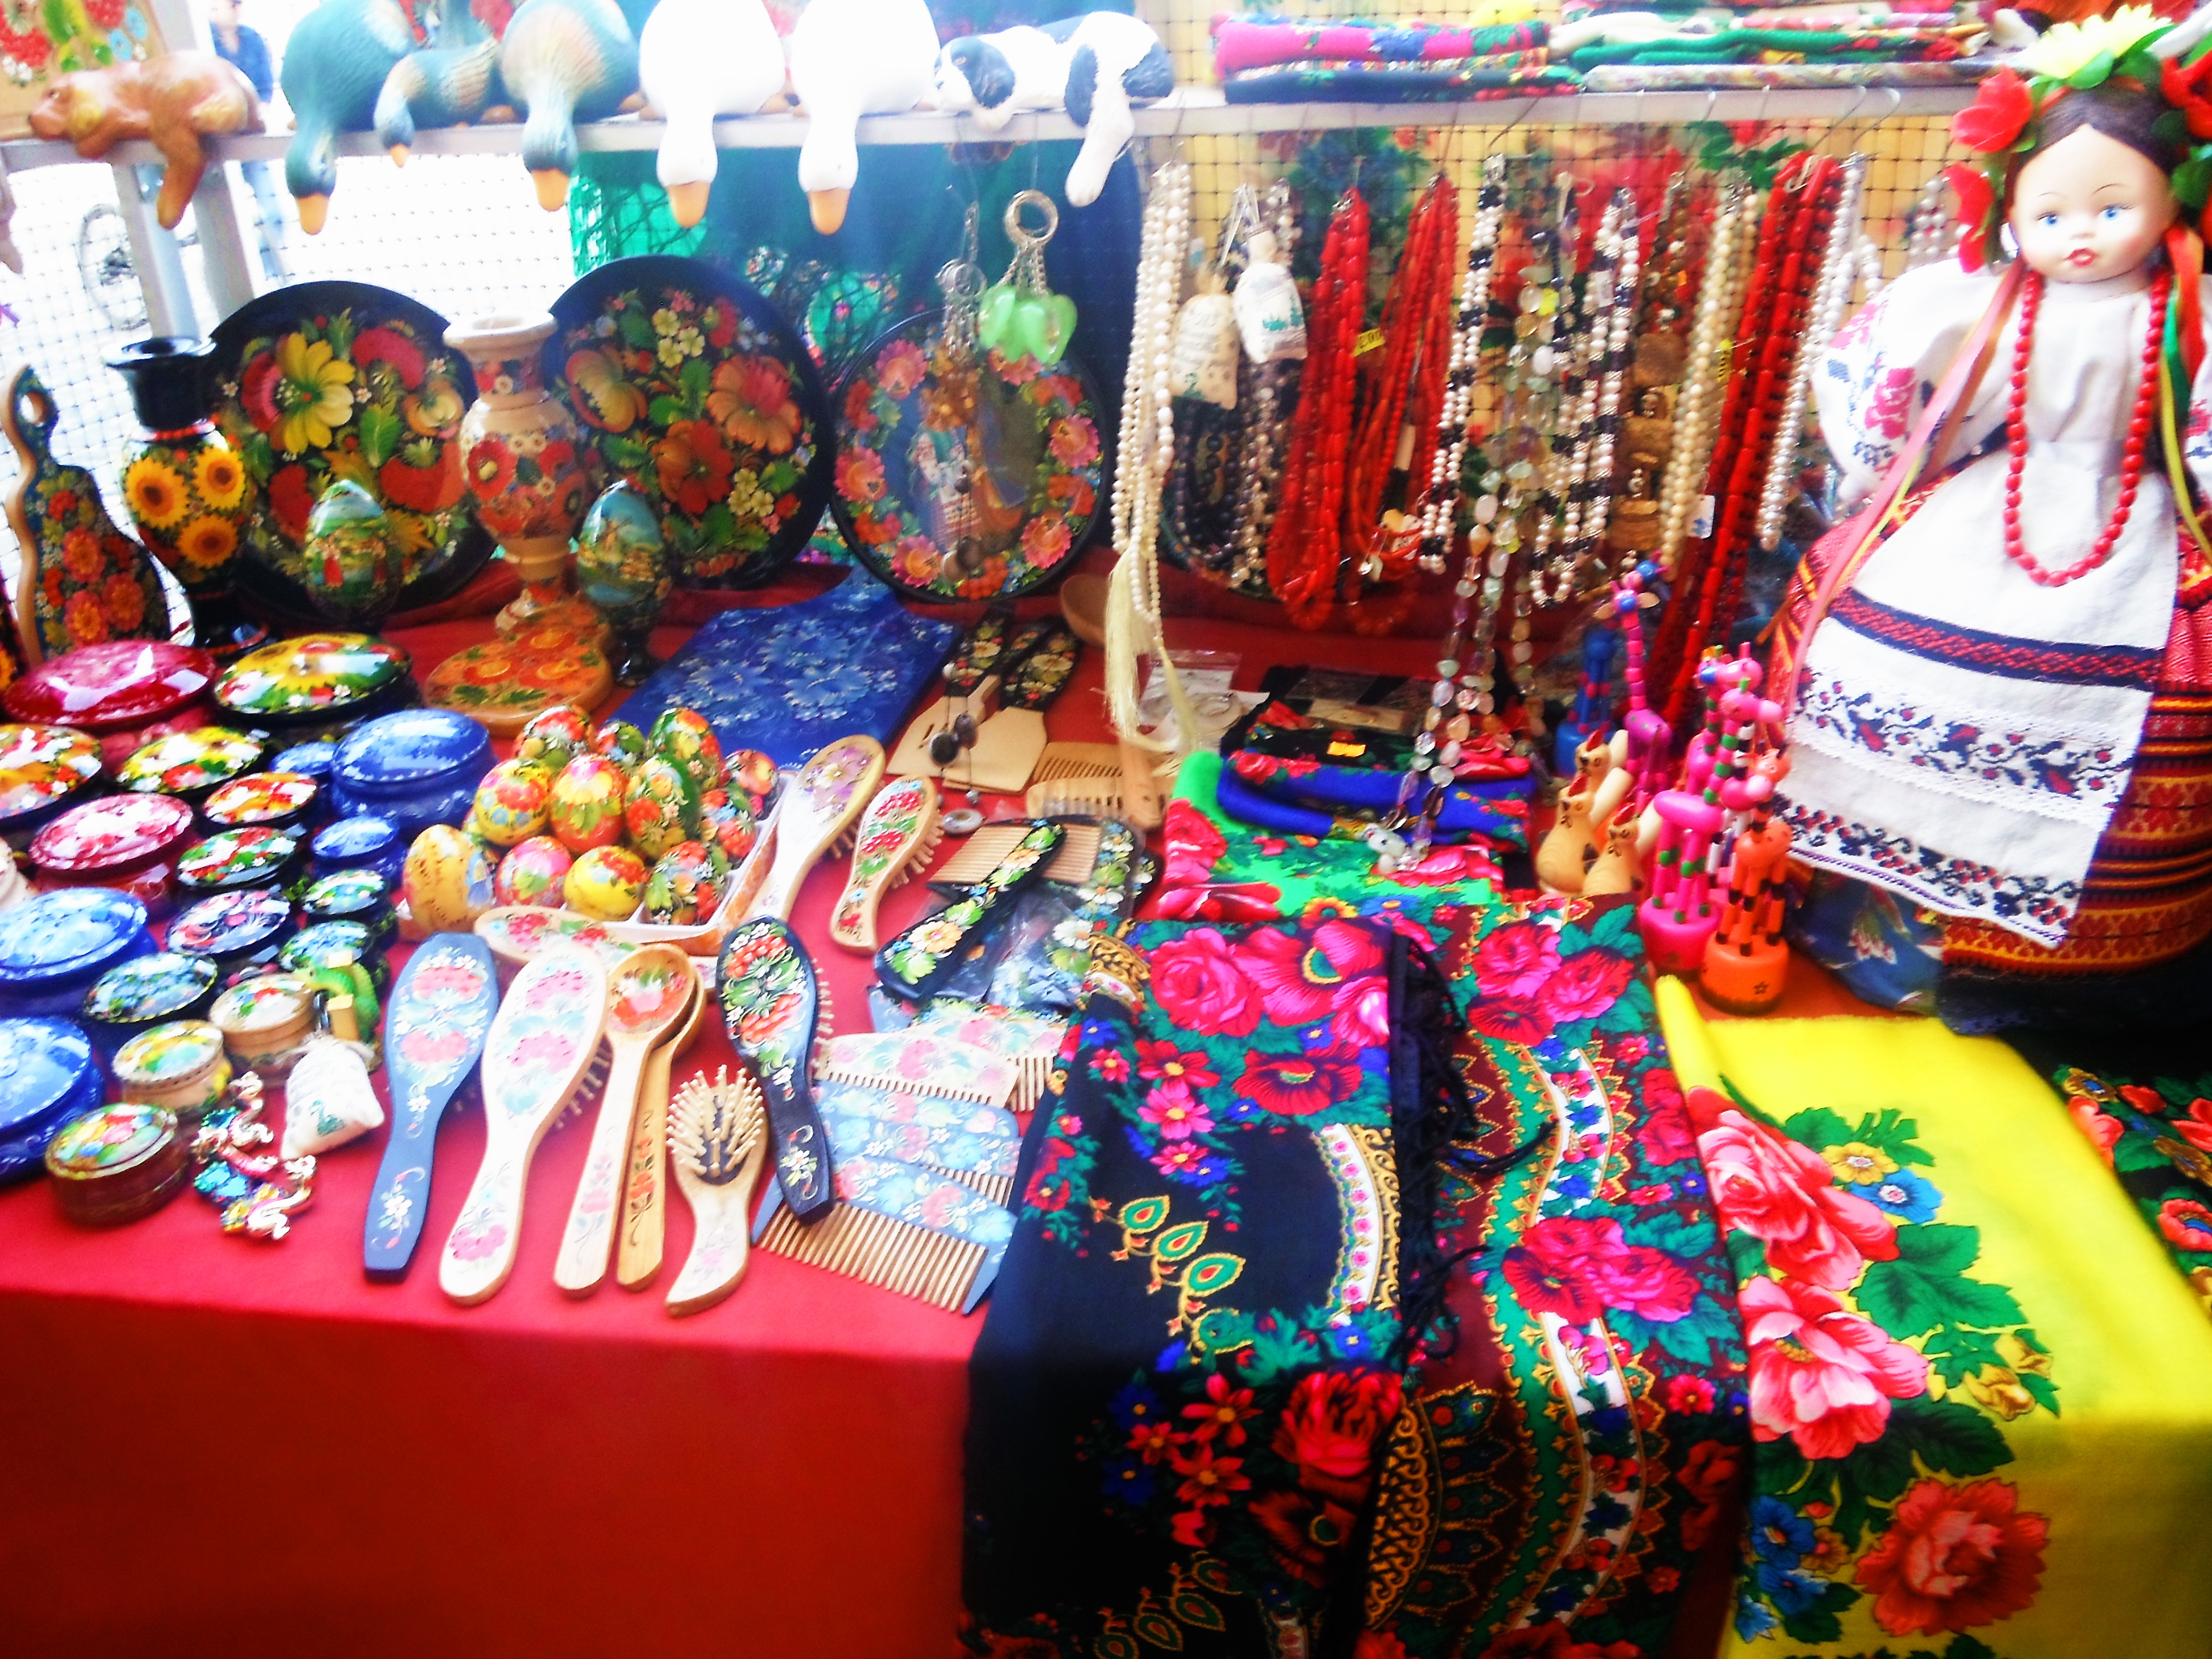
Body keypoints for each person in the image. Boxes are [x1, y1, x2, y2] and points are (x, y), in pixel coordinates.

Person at [1771, 9, 2212, 1026]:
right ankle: (1873, 920)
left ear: (2175, 200)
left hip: (2133, 524)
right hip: (1989, 505)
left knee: (2134, 709)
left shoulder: (2187, 310)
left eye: (2114, 207)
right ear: (2010, 208)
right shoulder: (1975, 302)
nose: (2080, 233)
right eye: (2050, 213)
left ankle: (2033, 967)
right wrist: (1886, 470)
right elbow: (1890, 396)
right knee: (1865, 644)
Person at [208, 0, 286, 282]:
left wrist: (258, 112)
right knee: (223, 222)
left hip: (251, 140)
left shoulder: (252, 40)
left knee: (274, 213)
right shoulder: (202, 41)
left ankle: (269, 278)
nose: (235, 8)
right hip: (216, 144)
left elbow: (265, 88)